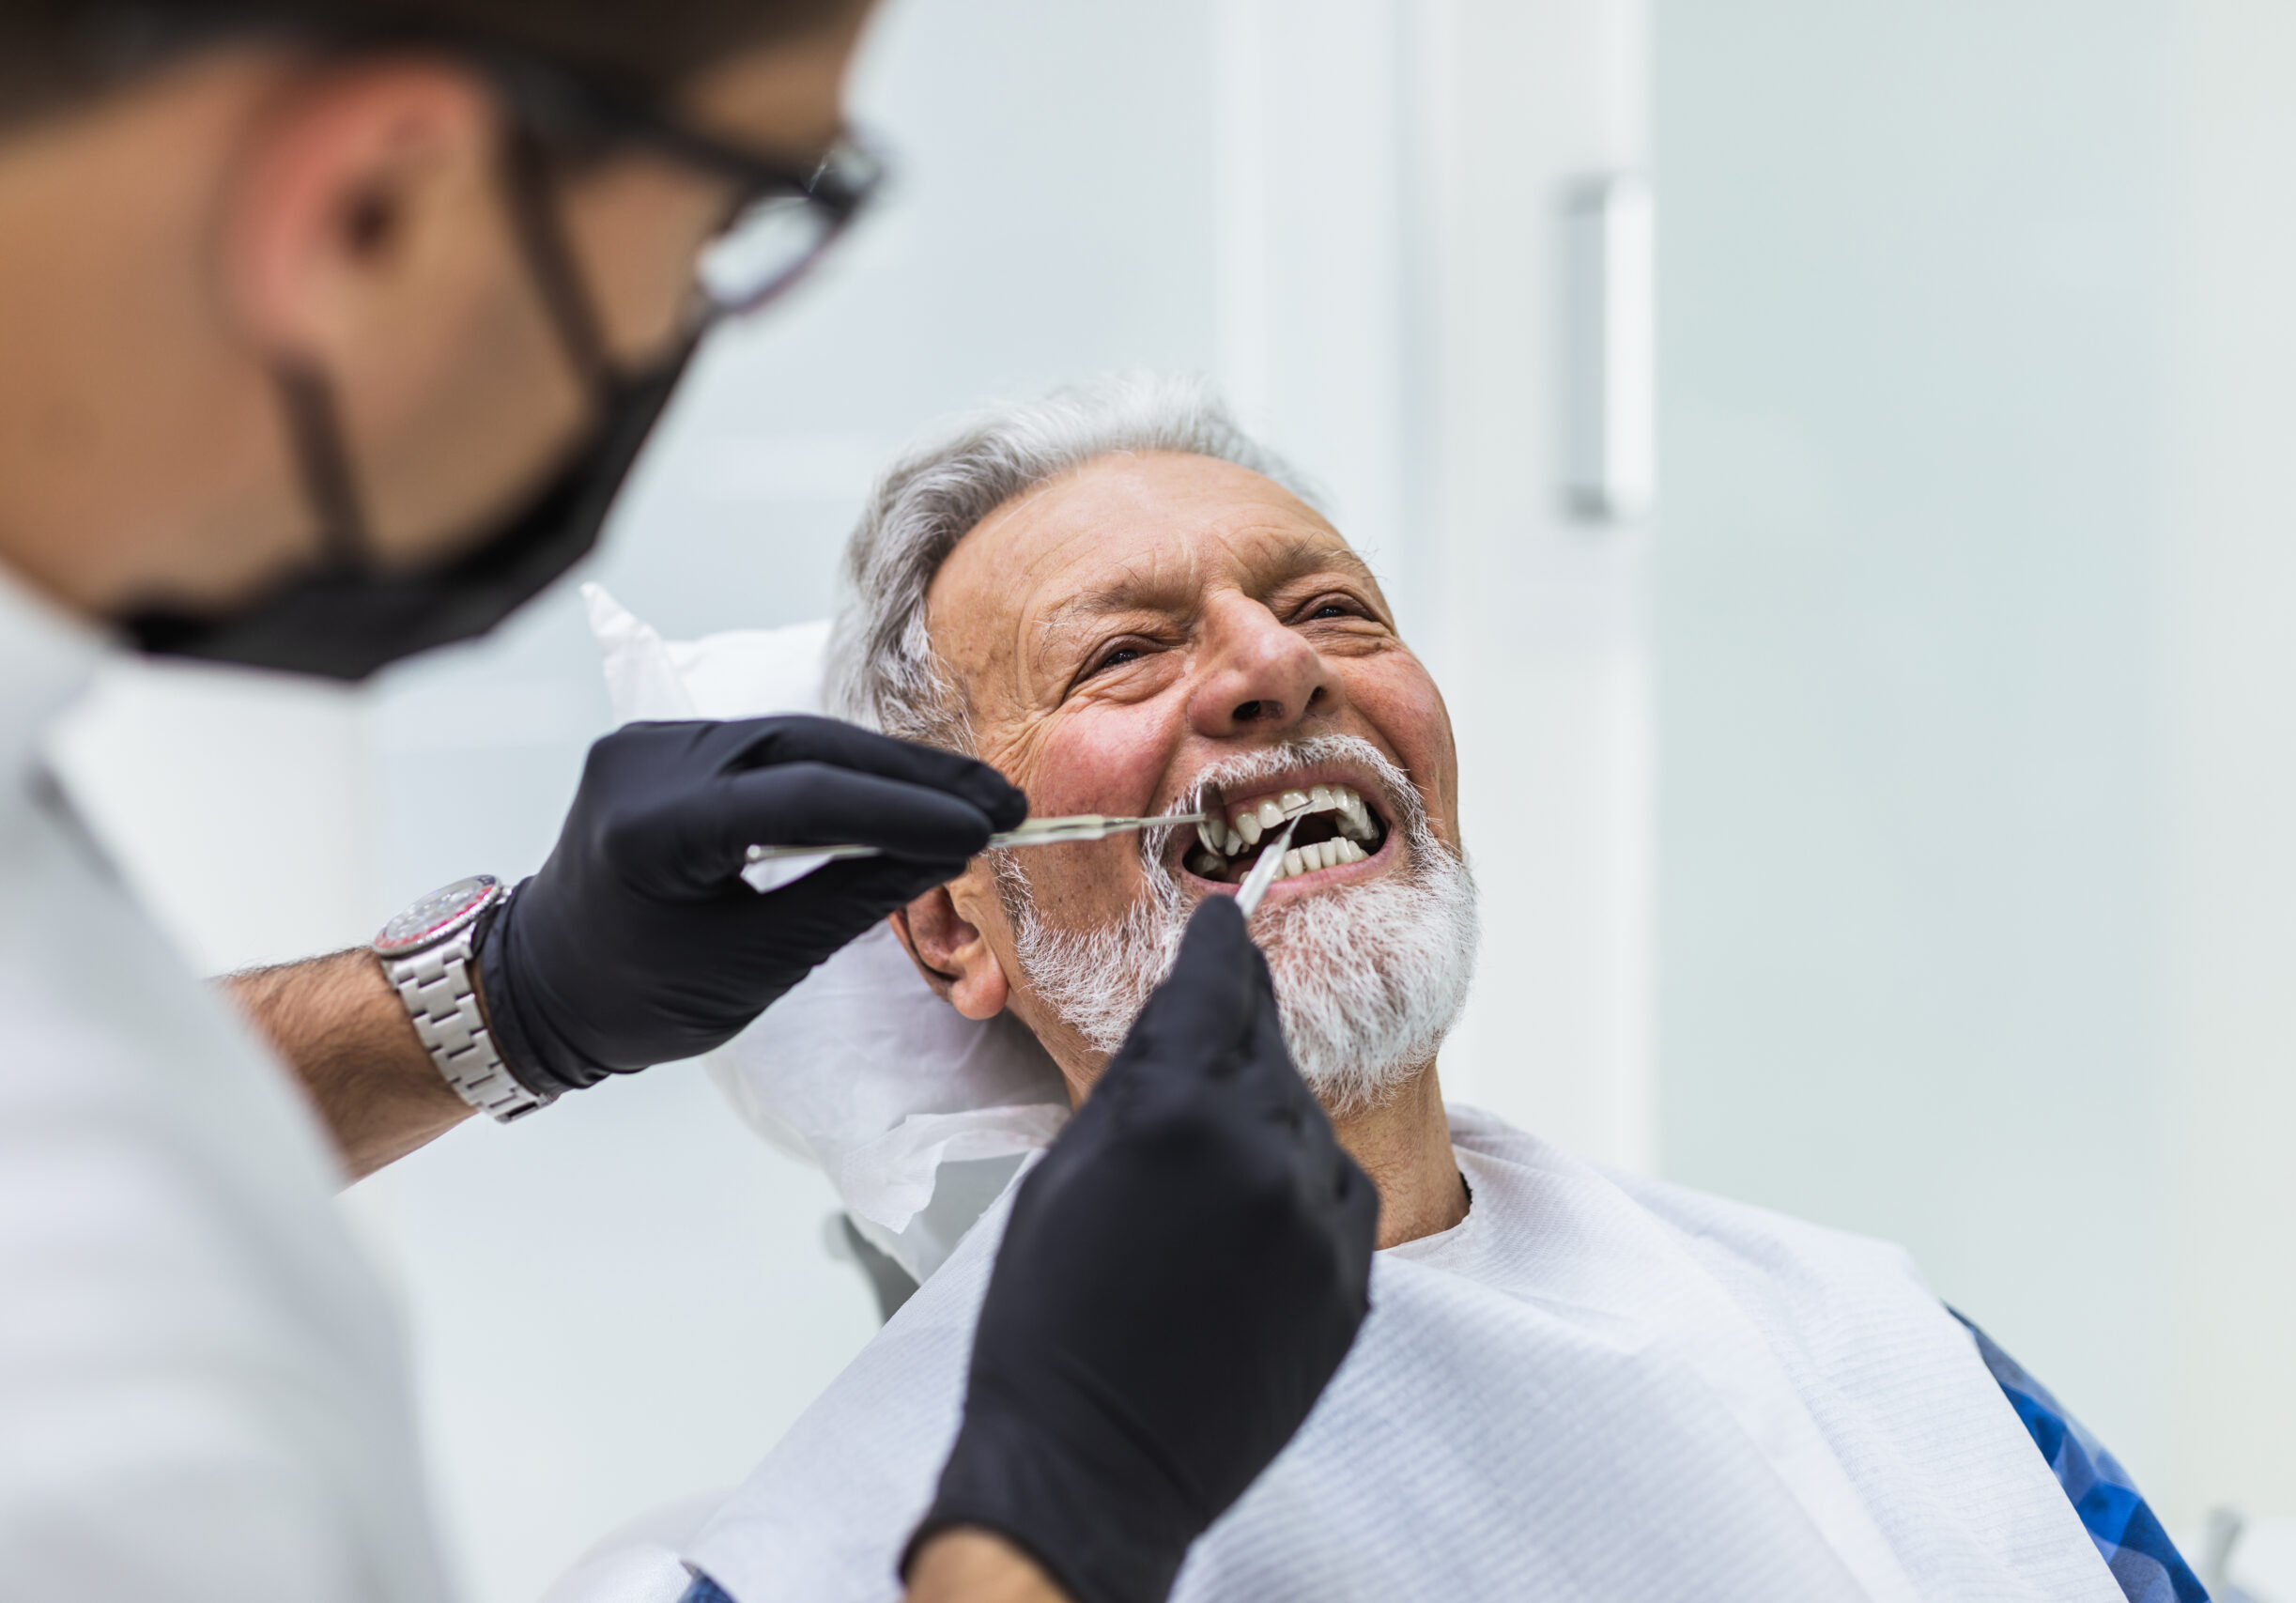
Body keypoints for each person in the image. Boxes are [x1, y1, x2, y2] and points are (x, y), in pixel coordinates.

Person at [0, 9, 1375, 1603]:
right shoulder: (101, 1397)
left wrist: (501, 1000)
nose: (1275, 667)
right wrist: (1047, 1543)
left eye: (1341, 609)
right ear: (378, 208)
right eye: (731, 228)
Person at [660, 374, 2211, 1603]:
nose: (1278, 666)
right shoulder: (854, 1549)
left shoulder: (1887, 1359)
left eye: (1335, 609)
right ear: (952, 927)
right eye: (1124, 652)